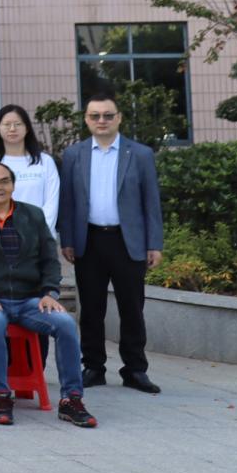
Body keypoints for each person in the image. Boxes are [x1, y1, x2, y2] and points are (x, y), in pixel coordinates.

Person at [0, 160, 96, 427]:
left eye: (4, 181)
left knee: (65, 323)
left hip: (30, 300)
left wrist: (49, 292)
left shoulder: (32, 215)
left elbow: (49, 258)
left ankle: (71, 399)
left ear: (13, 185)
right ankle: (1, 396)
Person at [59, 93, 163, 395]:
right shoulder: (74, 154)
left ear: (119, 118)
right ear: (86, 120)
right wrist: (67, 239)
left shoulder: (140, 154)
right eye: (95, 116)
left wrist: (154, 243)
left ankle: (135, 369)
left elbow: (151, 202)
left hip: (127, 240)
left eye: (108, 115)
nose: (101, 121)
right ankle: (93, 367)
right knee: (91, 308)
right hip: (89, 240)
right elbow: (68, 201)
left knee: (132, 307)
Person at [0, 104, 62, 242]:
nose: (12, 129)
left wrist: (36, 233)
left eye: (18, 124)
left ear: (27, 128)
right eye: (7, 124)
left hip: (40, 239)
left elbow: (51, 203)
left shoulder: (45, 162)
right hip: (1, 240)